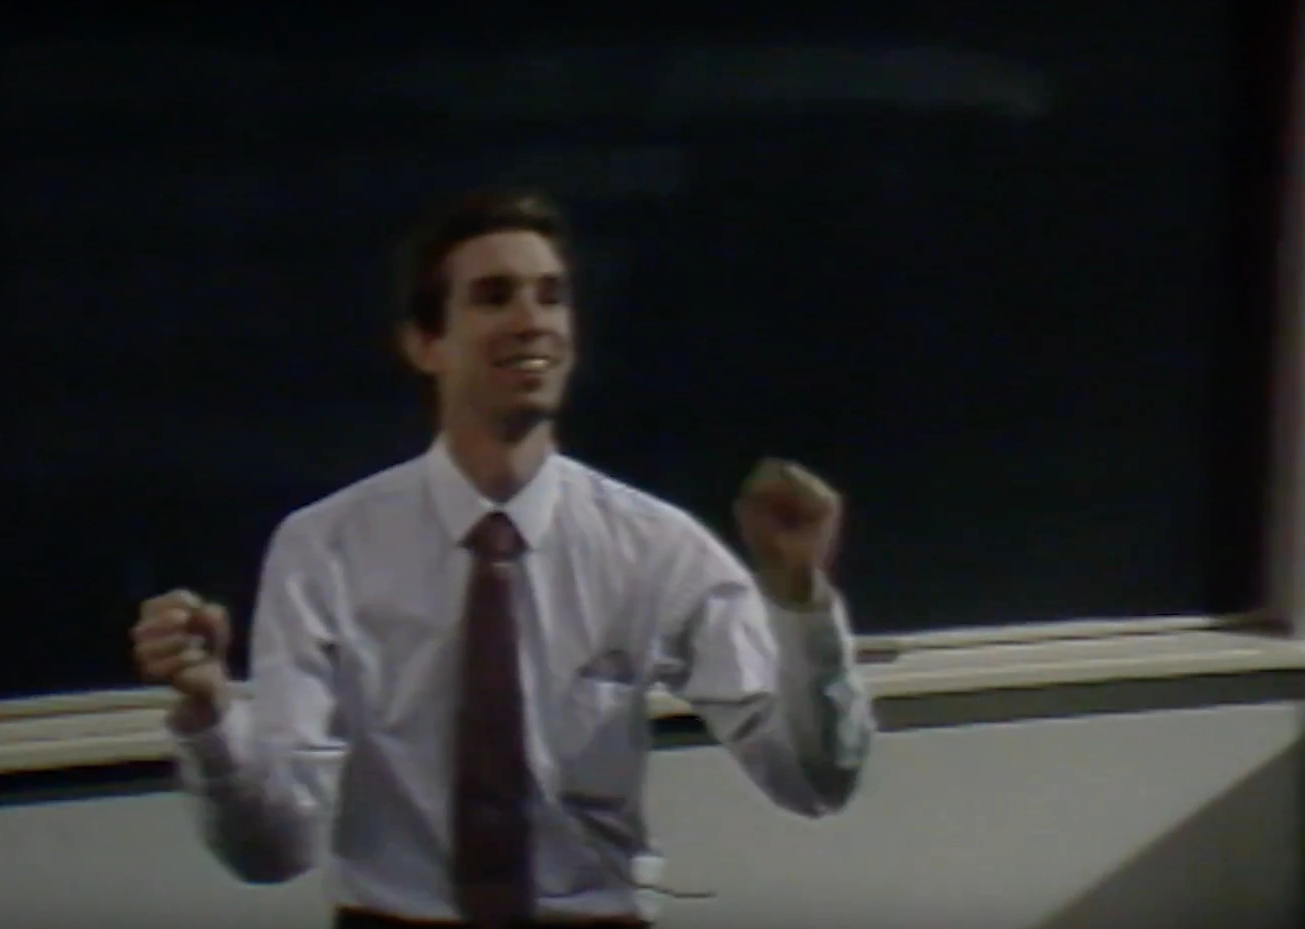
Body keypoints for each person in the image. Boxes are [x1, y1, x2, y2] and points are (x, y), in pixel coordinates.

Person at [130, 188, 875, 929]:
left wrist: (801, 600)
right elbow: (275, 850)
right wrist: (209, 711)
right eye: (494, 297)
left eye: (551, 297)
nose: (532, 321)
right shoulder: (326, 548)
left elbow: (812, 782)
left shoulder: (654, 547)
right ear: (426, 344)